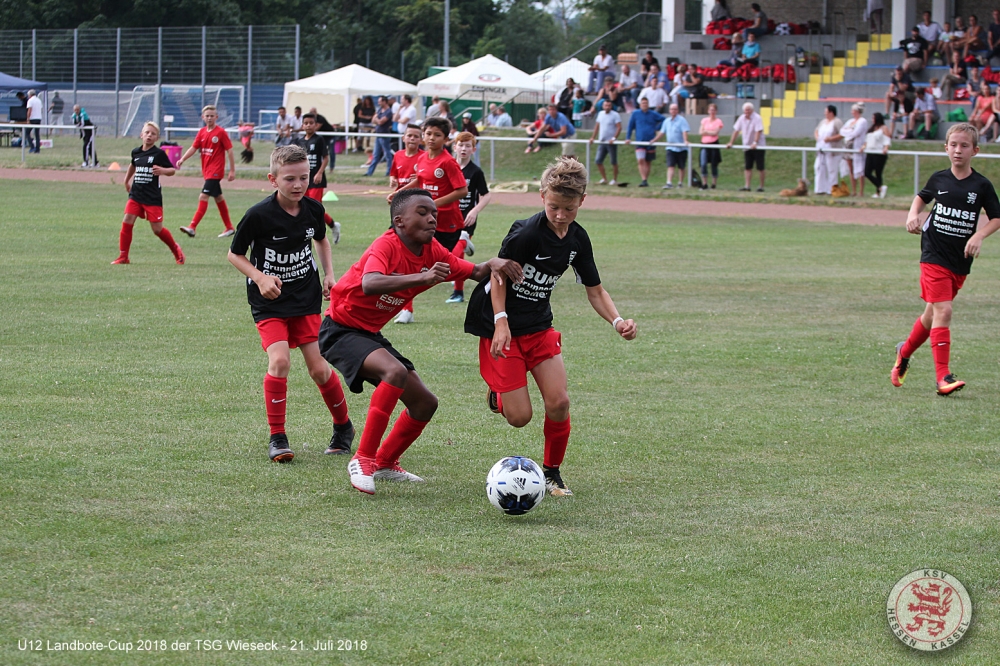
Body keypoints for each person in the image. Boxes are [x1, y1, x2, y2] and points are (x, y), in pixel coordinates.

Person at [320, 188, 521, 493]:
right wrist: (423, 277)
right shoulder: (386, 245)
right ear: (399, 221)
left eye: (434, 214)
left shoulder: (433, 250)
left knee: (425, 403)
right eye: (423, 213)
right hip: (339, 330)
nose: (432, 219)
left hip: (368, 334)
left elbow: (476, 272)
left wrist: (494, 262)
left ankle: (385, 462)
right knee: (395, 372)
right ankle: (363, 459)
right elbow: (370, 282)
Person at [463, 157, 637, 497]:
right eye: (553, 206)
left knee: (559, 402)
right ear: (542, 196)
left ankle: (552, 473)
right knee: (519, 418)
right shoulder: (526, 233)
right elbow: (498, 276)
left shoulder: (578, 239)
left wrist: (618, 321)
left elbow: (595, 290)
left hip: (539, 326)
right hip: (501, 324)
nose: (560, 215)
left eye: (569, 209)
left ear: (582, 201)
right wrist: (501, 323)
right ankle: (498, 393)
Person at [227, 145, 355, 462]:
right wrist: (260, 277)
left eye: (303, 178)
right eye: (289, 179)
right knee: (280, 361)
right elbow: (235, 254)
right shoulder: (258, 215)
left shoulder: (313, 209)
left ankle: (344, 427)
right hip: (269, 301)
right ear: (273, 179)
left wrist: (329, 274)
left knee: (319, 369)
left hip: (305, 298)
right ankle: (278, 437)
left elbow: (321, 239)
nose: (298, 185)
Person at [891, 123, 1000, 395]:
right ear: (946, 148)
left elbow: (996, 218)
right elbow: (921, 198)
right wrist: (912, 215)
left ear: (975, 150)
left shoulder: (981, 185)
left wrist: (979, 236)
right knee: (944, 311)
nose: (958, 150)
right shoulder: (939, 179)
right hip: (933, 254)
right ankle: (943, 378)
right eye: (953, 145)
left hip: (960, 260)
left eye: (964, 145)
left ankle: (904, 352)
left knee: (932, 314)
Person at [389, 116, 472, 322]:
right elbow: (420, 180)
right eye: (428, 134)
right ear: (423, 136)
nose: (432, 138)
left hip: (447, 224)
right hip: (423, 223)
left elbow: (462, 190)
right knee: (410, 263)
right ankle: (407, 310)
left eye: (437, 135)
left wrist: (433, 204)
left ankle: (462, 241)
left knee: (441, 267)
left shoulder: (448, 162)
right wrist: (400, 193)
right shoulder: (422, 158)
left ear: (446, 139)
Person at [111, 121, 184, 266]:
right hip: (136, 194)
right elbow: (133, 164)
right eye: (147, 132)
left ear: (157, 138)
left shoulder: (159, 154)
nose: (149, 135)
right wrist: (126, 180)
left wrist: (162, 171)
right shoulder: (136, 152)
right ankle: (123, 256)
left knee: (157, 229)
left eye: (153, 134)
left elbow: (172, 170)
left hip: (152, 197)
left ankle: (176, 250)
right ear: (141, 135)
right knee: (127, 220)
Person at [176, 106, 236, 238]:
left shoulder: (220, 132)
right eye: (207, 116)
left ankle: (192, 227)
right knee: (218, 198)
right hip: (207, 171)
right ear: (203, 117)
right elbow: (193, 148)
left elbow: (230, 151)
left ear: (216, 117)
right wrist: (182, 159)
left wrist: (232, 170)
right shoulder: (202, 132)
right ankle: (229, 227)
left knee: (203, 197)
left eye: (212, 116)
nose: (209, 118)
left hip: (215, 171)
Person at [449, 131, 492, 303]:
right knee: (446, 255)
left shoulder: (475, 172)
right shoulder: (447, 167)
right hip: (447, 219)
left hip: (466, 220)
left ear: (473, 150)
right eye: (461, 145)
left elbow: (486, 195)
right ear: (455, 147)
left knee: (457, 255)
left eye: (468, 146)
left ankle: (458, 293)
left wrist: (474, 211)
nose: (464, 149)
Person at [301, 113, 341, 241]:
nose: (308, 125)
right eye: (306, 123)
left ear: (315, 125)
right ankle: (333, 225)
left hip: (316, 180)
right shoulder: (299, 142)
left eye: (311, 123)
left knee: (314, 208)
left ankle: (316, 235)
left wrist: (319, 173)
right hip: (303, 180)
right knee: (303, 207)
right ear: (302, 125)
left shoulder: (319, 140)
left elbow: (326, 158)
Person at [624, 97, 665, 187]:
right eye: (643, 103)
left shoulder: (653, 114)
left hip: (650, 141)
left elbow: (664, 120)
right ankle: (643, 179)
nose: (644, 105)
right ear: (640, 104)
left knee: (648, 161)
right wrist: (628, 138)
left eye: (646, 103)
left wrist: (657, 128)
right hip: (640, 140)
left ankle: (645, 180)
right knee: (640, 160)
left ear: (648, 104)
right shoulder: (635, 114)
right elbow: (630, 126)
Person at [726, 102, 766, 191]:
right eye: (745, 110)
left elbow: (758, 131)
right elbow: (736, 131)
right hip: (747, 146)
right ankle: (747, 186)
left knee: (760, 167)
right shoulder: (741, 118)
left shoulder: (757, 118)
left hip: (758, 146)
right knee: (748, 167)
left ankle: (761, 187)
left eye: (748, 110)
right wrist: (731, 142)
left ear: (752, 110)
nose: (747, 112)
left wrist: (755, 142)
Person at [650, 103, 690, 189]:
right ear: (669, 110)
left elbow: (684, 131)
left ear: (678, 110)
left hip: (681, 148)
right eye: (672, 109)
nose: (673, 111)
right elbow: (662, 132)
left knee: (681, 166)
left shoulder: (682, 120)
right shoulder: (666, 121)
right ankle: (669, 183)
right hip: (670, 147)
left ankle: (680, 183)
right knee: (670, 165)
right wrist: (654, 140)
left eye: (675, 109)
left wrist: (685, 140)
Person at [589, 98, 622, 185]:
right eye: (606, 105)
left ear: (611, 106)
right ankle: (604, 179)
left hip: (611, 142)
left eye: (609, 105)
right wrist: (593, 137)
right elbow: (597, 127)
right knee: (598, 161)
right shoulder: (600, 114)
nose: (607, 107)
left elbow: (619, 127)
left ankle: (614, 179)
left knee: (613, 161)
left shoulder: (615, 115)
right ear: (603, 106)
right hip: (602, 141)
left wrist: (614, 138)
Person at [840, 102, 869, 196]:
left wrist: (849, 132)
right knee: (851, 169)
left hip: (857, 146)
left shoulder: (862, 121)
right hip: (848, 146)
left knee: (860, 170)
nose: (851, 112)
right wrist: (849, 131)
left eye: (853, 110)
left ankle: (861, 191)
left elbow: (856, 133)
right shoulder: (850, 121)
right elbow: (842, 131)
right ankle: (854, 191)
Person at [813, 105, 844, 195]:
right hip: (821, 149)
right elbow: (816, 130)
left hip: (832, 150)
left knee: (832, 170)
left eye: (826, 112)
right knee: (818, 168)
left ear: (831, 113)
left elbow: (842, 134)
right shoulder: (823, 122)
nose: (824, 114)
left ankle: (831, 189)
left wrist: (830, 139)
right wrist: (817, 137)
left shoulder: (837, 122)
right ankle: (820, 189)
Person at [861, 112, 891, 198]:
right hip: (870, 152)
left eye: (873, 118)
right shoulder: (872, 128)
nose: (872, 120)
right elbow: (867, 140)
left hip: (879, 153)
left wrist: (886, 147)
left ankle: (878, 192)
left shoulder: (884, 128)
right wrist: (863, 147)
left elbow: (887, 139)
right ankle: (881, 187)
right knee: (867, 172)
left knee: (878, 173)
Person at [365, 96, 395, 177]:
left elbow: (381, 122)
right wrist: (377, 120)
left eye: (380, 101)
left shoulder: (388, 111)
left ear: (384, 101)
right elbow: (373, 119)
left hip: (384, 135)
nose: (378, 103)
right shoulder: (379, 110)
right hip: (378, 135)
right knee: (376, 154)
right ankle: (369, 172)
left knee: (387, 154)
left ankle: (389, 171)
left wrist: (377, 120)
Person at [389, 123, 424, 191]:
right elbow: (393, 174)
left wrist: (420, 178)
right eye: (409, 135)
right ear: (403, 138)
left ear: (421, 140)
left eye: (416, 136)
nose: (412, 138)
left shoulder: (425, 156)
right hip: (401, 193)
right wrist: (392, 180)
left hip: (417, 193)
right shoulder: (397, 155)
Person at [698, 102, 724, 189]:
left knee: (714, 164)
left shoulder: (718, 121)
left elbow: (715, 132)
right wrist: (709, 132)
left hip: (713, 144)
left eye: (713, 110)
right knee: (703, 163)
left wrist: (706, 132)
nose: (712, 112)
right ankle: (704, 183)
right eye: (710, 110)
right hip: (704, 144)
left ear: (716, 111)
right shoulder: (704, 120)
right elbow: (700, 132)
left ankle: (713, 184)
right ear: (708, 111)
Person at [25, 89, 42, 153]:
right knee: (37, 134)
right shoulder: (39, 100)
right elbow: (41, 109)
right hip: (38, 118)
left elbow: (29, 110)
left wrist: (28, 119)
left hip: (32, 119)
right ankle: (37, 149)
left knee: (27, 133)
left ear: (30, 95)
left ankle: (32, 146)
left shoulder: (30, 100)